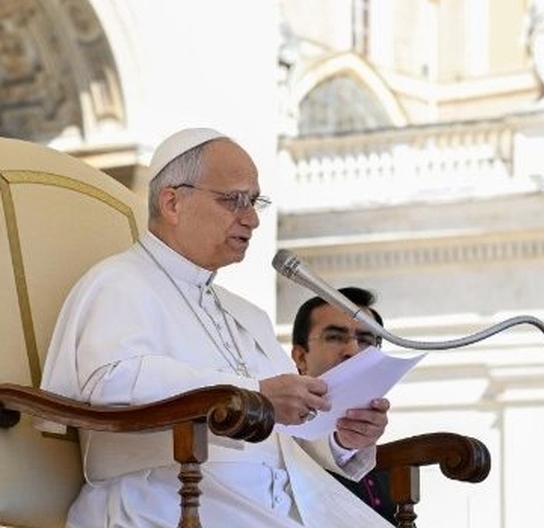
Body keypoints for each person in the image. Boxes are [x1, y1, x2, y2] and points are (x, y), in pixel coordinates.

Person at [40, 127, 394, 528]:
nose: (253, 219)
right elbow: (111, 383)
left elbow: (293, 425)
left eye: (255, 201)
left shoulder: (246, 314)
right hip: (169, 494)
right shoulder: (118, 282)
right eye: (234, 201)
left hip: (273, 498)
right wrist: (253, 394)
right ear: (172, 202)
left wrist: (342, 436)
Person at [291, 287, 397, 524]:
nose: (353, 350)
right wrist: (344, 442)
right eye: (335, 337)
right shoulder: (279, 432)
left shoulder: (395, 464)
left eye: (367, 340)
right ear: (300, 358)